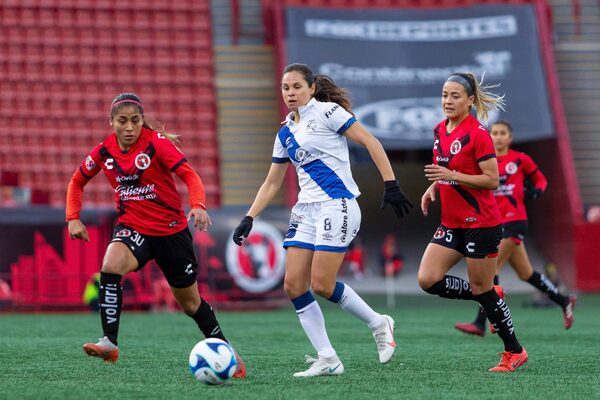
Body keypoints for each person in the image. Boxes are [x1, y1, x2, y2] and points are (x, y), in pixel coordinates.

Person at [232, 63, 412, 377]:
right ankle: (328, 358)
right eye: (285, 88)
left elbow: (371, 142)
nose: (290, 93)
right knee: (293, 285)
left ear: (312, 88)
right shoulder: (284, 132)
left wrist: (391, 184)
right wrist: (250, 216)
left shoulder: (328, 113)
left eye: (297, 87)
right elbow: (273, 182)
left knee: (322, 285)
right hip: (306, 211)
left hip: (337, 204)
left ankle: (379, 323)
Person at [66, 93, 245, 377]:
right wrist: (73, 218)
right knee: (110, 266)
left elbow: (190, 175)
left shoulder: (156, 144)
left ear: (141, 122)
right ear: (111, 122)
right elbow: (77, 181)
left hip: (171, 233)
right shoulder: (103, 152)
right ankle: (109, 342)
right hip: (133, 228)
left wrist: (197, 205)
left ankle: (226, 350)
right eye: (122, 121)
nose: (129, 127)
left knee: (190, 304)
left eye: (135, 121)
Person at [419, 73, 528, 372]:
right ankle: (492, 296)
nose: (448, 101)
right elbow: (445, 168)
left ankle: (514, 351)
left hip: (481, 223)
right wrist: (433, 189)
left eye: (455, 96)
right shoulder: (439, 130)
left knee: (482, 290)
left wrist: (452, 177)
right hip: (452, 222)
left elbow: (492, 180)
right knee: (428, 279)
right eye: (444, 95)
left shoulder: (479, 134)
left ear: (470, 100)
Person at [455, 120, 576, 336]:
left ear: (510, 138)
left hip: (515, 221)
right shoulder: (483, 162)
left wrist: (536, 191)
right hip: (494, 222)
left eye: (503, 133)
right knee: (526, 273)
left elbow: (541, 180)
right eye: (495, 133)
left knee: (491, 270)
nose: (498, 137)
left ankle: (483, 321)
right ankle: (564, 300)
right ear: (489, 137)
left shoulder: (520, 159)